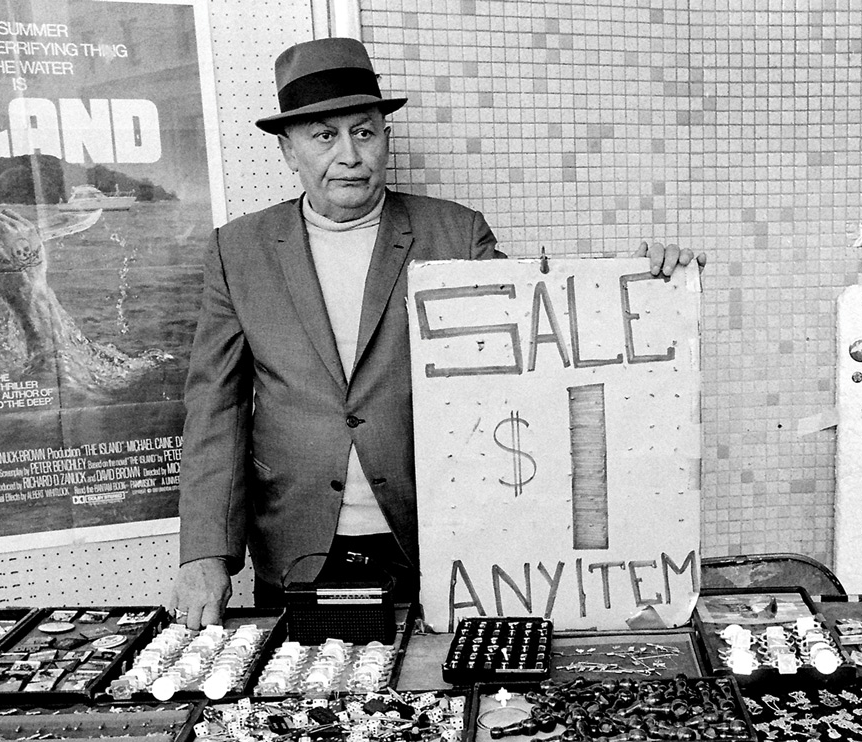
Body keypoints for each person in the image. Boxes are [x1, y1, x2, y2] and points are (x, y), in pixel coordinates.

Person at [165, 37, 704, 628]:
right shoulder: (237, 251)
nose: (349, 155)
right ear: (289, 152)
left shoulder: (455, 234)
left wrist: (642, 284)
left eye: (364, 132)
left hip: (438, 542)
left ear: (385, 139)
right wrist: (205, 553)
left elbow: (538, 358)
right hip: (295, 545)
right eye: (324, 136)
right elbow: (214, 407)